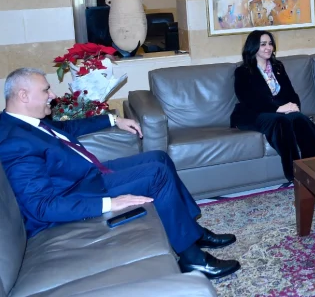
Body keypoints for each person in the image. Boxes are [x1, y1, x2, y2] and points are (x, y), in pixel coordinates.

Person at [0, 68, 240, 279]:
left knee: (159, 157)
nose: (52, 95)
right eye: (46, 90)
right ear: (23, 95)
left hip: (87, 178)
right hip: (79, 193)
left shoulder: (26, 122)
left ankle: (192, 232)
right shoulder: (14, 141)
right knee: (156, 174)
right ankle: (192, 258)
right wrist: (110, 203)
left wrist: (113, 120)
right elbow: (42, 206)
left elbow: (68, 127)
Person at [231, 30, 315, 181]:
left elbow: (291, 92)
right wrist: (277, 109)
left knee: (301, 120)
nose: (268, 47)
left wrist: (294, 106)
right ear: (253, 47)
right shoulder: (243, 71)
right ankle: (295, 174)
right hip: (252, 114)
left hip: (280, 111)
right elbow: (248, 99)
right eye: (263, 44)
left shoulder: (278, 67)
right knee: (281, 122)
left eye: (270, 44)